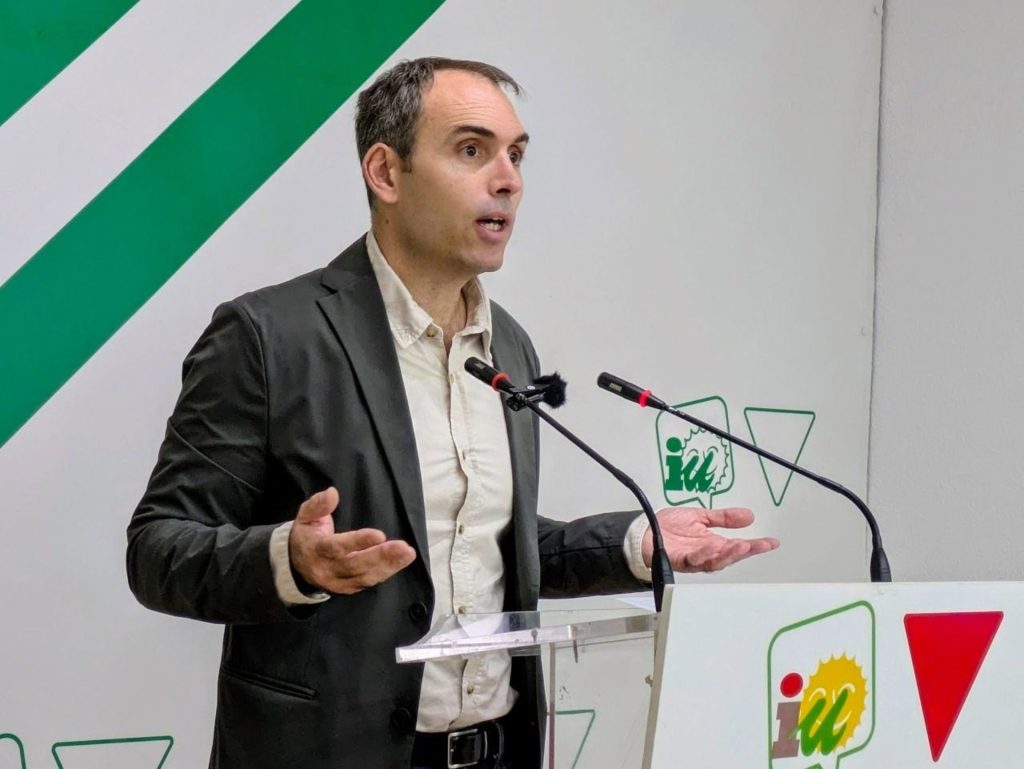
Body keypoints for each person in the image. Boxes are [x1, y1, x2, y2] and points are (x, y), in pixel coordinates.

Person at [126, 57, 778, 769]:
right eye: (472, 150)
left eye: (516, 155)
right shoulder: (269, 336)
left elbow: (485, 548)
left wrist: (635, 542)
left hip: (495, 750)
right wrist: (291, 559)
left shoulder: (508, 347)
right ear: (386, 173)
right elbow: (158, 548)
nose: (509, 180)